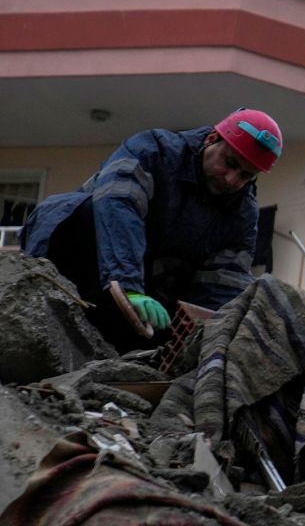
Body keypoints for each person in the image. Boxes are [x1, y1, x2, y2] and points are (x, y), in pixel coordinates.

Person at [21, 109, 282, 348]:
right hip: (77, 252)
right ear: (211, 139)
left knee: (168, 333)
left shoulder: (242, 214)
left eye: (246, 176)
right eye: (230, 162)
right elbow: (118, 208)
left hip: (148, 289)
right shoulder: (153, 151)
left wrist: (204, 337)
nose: (231, 179)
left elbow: (224, 283)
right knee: (94, 213)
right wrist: (127, 285)